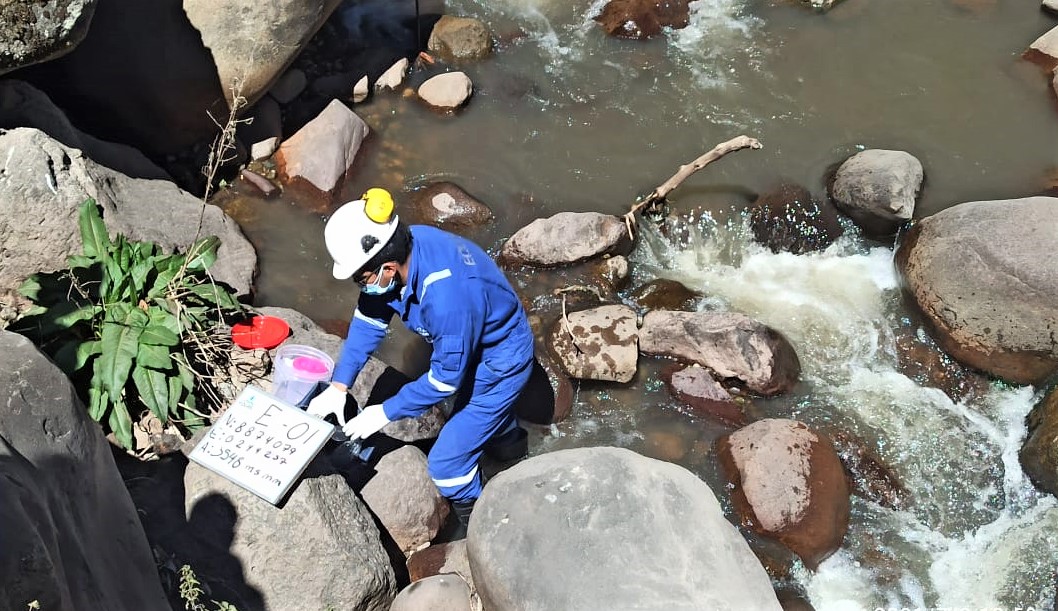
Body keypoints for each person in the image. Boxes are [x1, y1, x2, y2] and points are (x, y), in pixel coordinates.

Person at [307, 187, 534, 532]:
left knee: (447, 464)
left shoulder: (446, 297)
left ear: (386, 267)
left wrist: (382, 412)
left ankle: (483, 529)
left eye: (361, 278)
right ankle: (510, 449)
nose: (360, 286)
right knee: (489, 423)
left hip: (501, 360)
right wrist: (339, 386)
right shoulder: (405, 249)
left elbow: (444, 381)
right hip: (474, 336)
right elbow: (369, 322)